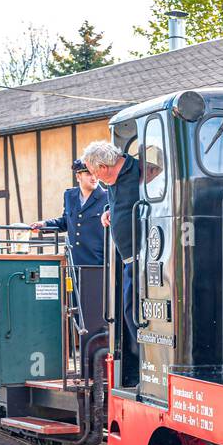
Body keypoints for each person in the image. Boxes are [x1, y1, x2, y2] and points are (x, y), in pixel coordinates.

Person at [32, 159, 107, 333]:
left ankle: (95, 352)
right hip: (74, 264)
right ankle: (78, 351)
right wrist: (44, 225)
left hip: (97, 264)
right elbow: (66, 221)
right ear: (78, 176)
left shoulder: (106, 196)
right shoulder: (70, 196)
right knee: (75, 309)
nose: (94, 177)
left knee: (95, 313)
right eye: (88, 173)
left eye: (95, 173)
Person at [81, 140, 142, 344]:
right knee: (129, 312)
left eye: (94, 173)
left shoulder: (140, 172)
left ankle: (147, 361)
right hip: (128, 259)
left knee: (132, 312)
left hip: (143, 258)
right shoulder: (112, 180)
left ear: (103, 167)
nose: (95, 178)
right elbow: (121, 202)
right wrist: (110, 211)